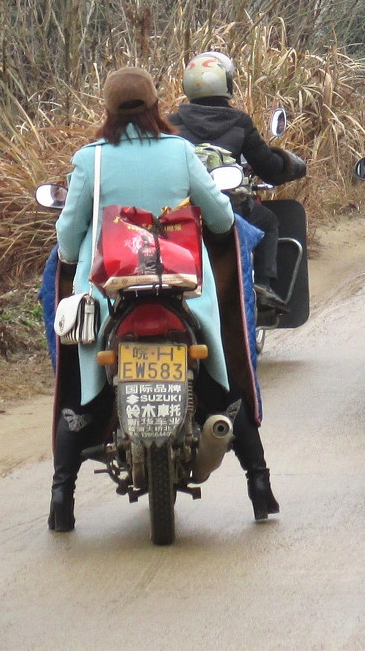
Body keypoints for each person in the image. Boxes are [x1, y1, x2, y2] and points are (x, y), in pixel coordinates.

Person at [51, 66, 279, 528]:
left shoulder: (89, 159)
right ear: (157, 107)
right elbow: (220, 219)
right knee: (222, 382)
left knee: (81, 393)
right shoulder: (180, 152)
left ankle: (62, 499)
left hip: (108, 297)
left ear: (108, 111)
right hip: (183, 294)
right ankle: (259, 485)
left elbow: (69, 243)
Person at [168, 51, 306, 316]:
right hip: (229, 209)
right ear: (226, 84)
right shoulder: (239, 122)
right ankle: (263, 285)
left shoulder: (172, 123)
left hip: (179, 211)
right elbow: (269, 168)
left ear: (187, 86)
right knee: (267, 221)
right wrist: (290, 165)